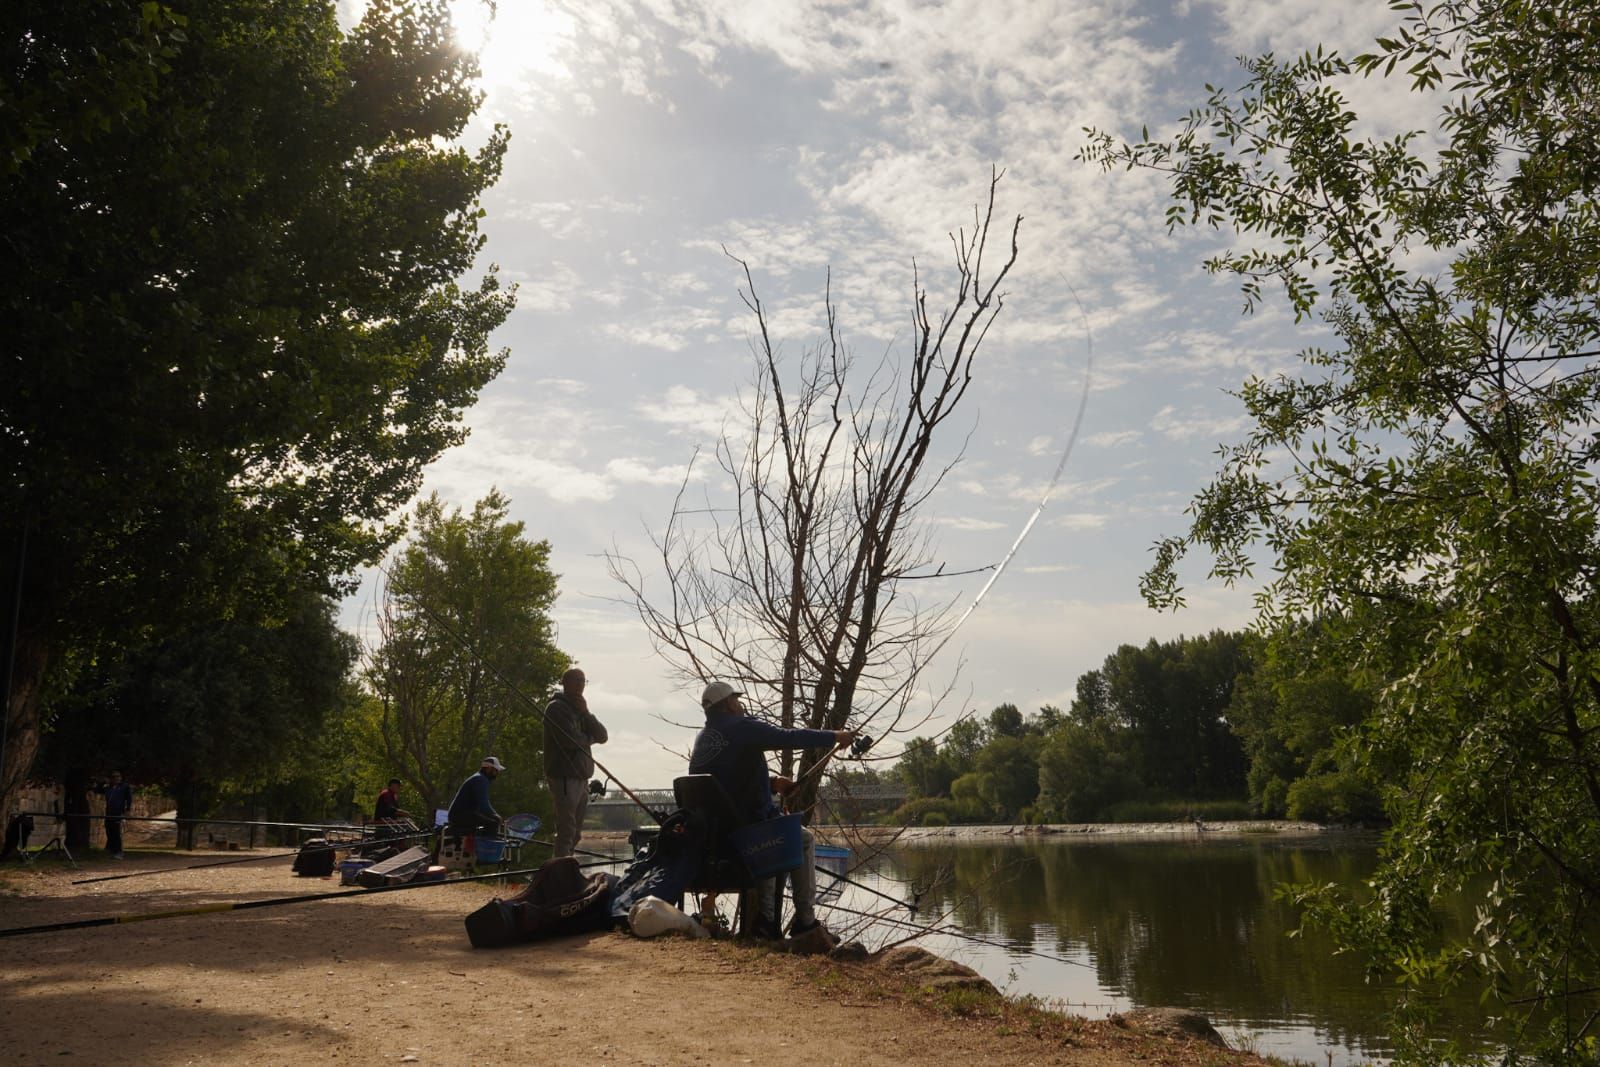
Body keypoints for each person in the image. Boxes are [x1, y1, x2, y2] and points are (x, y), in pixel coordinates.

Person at [688, 680, 855, 940]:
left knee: (771, 833)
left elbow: (725, 783)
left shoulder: (704, 739)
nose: (740, 704)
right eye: (737, 699)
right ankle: (805, 922)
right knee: (802, 840)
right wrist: (833, 736)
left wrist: (772, 784)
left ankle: (766, 923)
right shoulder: (741, 728)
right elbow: (787, 737)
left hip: (714, 841)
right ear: (729, 704)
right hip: (745, 840)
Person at [543, 667, 608, 858]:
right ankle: (560, 872)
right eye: (576, 680)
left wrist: (586, 713)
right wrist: (589, 738)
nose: (580, 685)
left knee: (576, 833)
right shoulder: (556, 708)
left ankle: (567, 866)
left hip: (581, 778)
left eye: (583, 681)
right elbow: (569, 740)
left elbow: (602, 736)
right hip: (563, 776)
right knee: (567, 830)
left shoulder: (580, 709)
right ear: (564, 682)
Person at [447, 757, 505, 836]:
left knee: (491, 820)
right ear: (488, 769)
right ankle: (486, 847)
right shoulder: (481, 779)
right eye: (496, 770)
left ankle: (478, 845)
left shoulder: (478, 777)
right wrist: (497, 816)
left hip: (457, 815)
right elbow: (484, 806)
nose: (497, 773)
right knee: (494, 823)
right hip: (460, 816)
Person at [93, 771, 134, 858]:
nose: (116, 779)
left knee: (116, 832)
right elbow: (96, 790)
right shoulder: (108, 788)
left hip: (118, 812)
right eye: (114, 777)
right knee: (109, 831)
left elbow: (129, 798)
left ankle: (119, 851)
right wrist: (103, 782)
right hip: (109, 812)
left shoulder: (124, 787)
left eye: (118, 777)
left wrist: (128, 810)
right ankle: (112, 850)